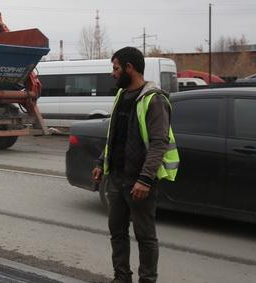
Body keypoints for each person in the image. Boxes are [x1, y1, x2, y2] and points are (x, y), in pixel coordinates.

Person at [92, 47, 180, 283]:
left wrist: (145, 179)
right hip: (117, 178)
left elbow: (159, 142)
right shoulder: (121, 96)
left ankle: (147, 280)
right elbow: (115, 135)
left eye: (116, 68)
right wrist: (102, 162)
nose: (113, 73)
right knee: (117, 233)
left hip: (138, 182)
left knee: (145, 236)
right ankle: (122, 277)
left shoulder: (154, 99)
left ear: (129, 68)